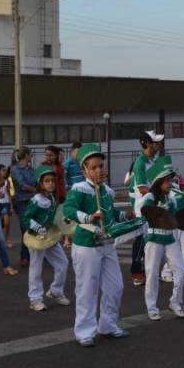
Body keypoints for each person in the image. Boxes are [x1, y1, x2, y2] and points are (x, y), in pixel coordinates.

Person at [63, 144, 130, 347]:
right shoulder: (79, 189)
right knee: (87, 288)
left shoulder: (108, 191)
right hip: (86, 245)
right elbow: (68, 209)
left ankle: (108, 325)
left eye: (101, 166)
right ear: (85, 171)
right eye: (93, 167)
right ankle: (84, 331)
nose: (99, 170)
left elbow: (112, 214)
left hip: (107, 243)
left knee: (115, 286)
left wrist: (127, 215)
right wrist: (88, 217)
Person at [137, 156, 184, 321]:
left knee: (181, 270)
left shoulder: (170, 198)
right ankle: (152, 308)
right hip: (154, 238)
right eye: (166, 181)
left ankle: (175, 302)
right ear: (158, 182)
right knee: (152, 273)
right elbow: (143, 213)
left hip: (169, 238)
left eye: (170, 180)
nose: (169, 183)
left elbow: (177, 217)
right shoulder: (149, 197)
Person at [23, 165, 69, 312]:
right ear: (41, 184)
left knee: (63, 262)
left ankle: (56, 291)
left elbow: (54, 218)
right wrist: (38, 228)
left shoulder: (52, 198)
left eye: (52, 181)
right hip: (36, 238)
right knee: (36, 267)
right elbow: (26, 218)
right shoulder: (36, 200)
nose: (51, 184)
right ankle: (35, 299)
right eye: (47, 181)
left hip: (50, 237)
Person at [127, 130, 165, 286]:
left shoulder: (154, 159)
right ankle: (136, 272)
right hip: (141, 203)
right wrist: (159, 195)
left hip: (152, 201)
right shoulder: (140, 162)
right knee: (142, 237)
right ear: (148, 144)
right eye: (156, 142)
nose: (159, 144)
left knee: (153, 237)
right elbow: (142, 188)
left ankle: (151, 271)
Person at [11, 147, 38, 268]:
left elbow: (36, 181)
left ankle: (35, 254)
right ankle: (25, 256)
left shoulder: (31, 169)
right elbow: (22, 185)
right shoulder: (15, 169)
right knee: (25, 228)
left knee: (35, 227)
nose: (31, 156)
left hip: (33, 201)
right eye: (30, 154)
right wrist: (35, 190)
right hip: (22, 201)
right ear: (26, 155)